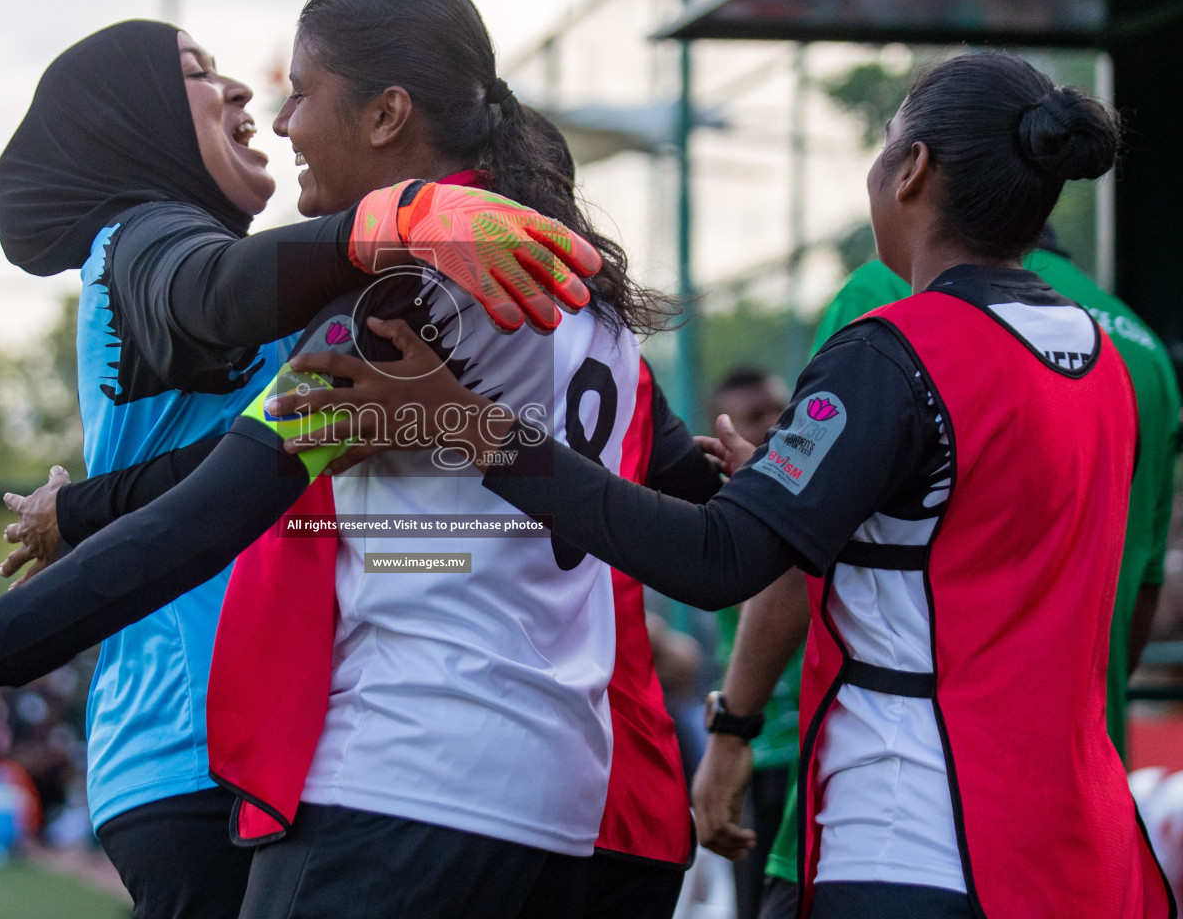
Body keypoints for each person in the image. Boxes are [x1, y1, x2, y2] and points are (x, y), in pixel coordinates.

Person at [0, 0, 717, 919]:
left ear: (388, 114)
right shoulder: (592, 312)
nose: (281, 116)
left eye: (300, 92)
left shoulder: (392, 305)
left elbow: (201, 518)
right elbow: (699, 536)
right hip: (574, 790)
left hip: (399, 768)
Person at [266, 51, 1175, 918]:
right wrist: (796, 491)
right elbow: (972, 550)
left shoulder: (896, 348)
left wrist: (461, 419)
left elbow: (717, 561)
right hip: (1085, 846)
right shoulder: (1105, 359)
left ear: (912, 170)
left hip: (926, 839)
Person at [702, 226, 1183, 919]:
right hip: (1079, 830)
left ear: (917, 169)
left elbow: (769, 548)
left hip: (894, 819)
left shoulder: (884, 303)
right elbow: (1137, 597)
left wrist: (733, 725)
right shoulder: (1127, 348)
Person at [699, 368, 799, 919]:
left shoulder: (817, 501)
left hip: (814, 748)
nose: (773, 426)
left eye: (780, 411)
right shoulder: (724, 515)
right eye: (754, 418)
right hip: (757, 755)